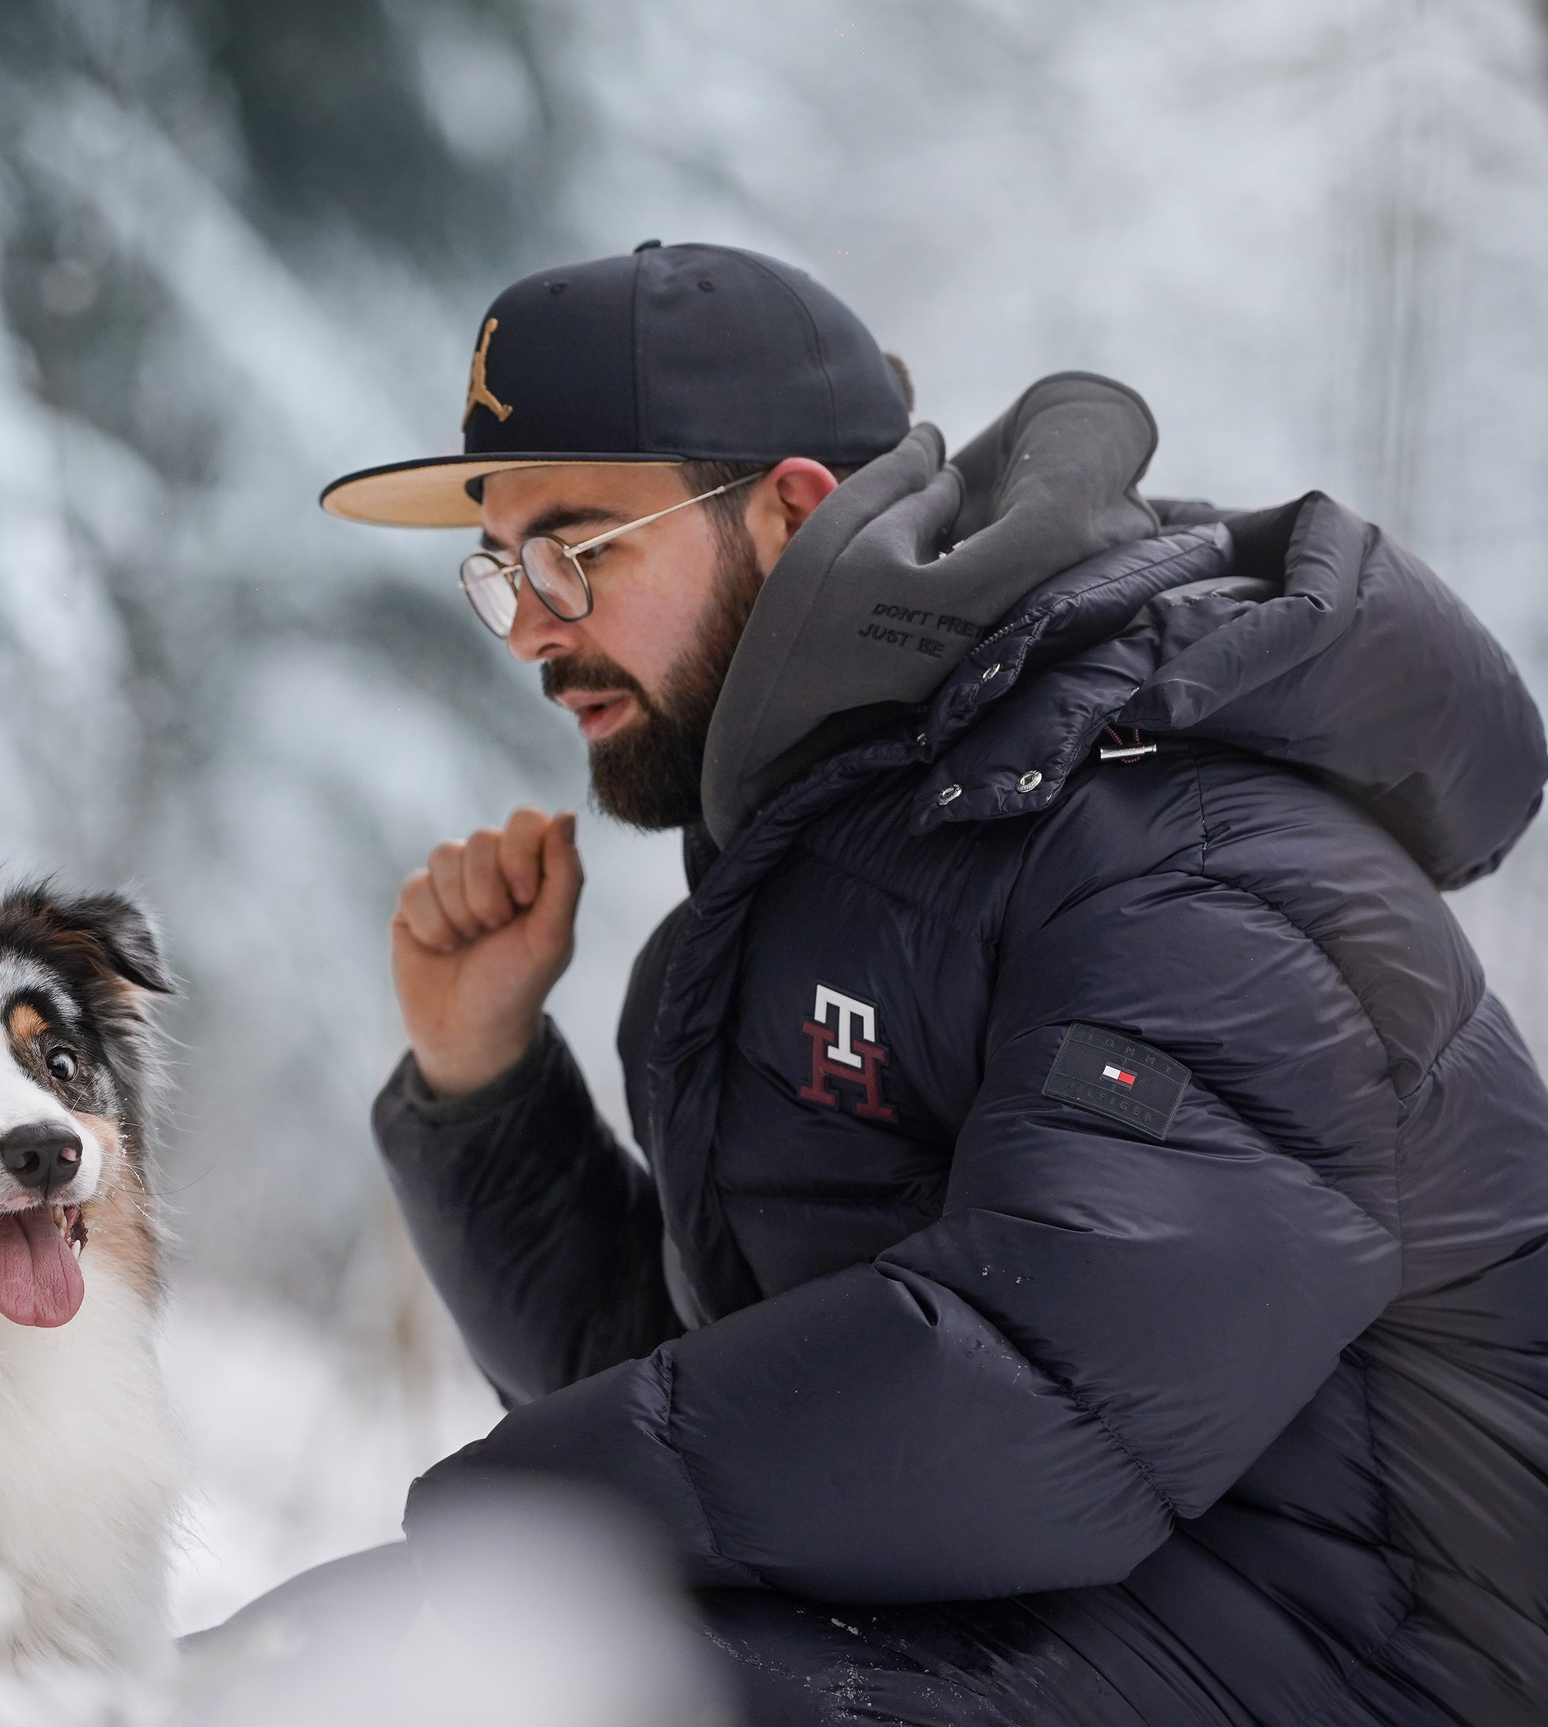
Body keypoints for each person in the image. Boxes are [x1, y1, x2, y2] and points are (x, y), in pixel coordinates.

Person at [302, 241, 1548, 1725]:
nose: (531, 628)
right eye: (500, 570)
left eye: (578, 551)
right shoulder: (802, 891)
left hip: (1374, 1661)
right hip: (1078, 1628)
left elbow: (1053, 1393)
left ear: (791, 509)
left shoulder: (1181, 838)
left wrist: (525, 1516)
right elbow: (732, 1405)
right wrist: (483, 1084)